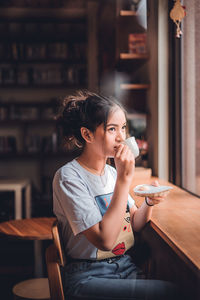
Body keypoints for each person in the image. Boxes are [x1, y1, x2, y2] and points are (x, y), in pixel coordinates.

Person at [53, 90, 180, 300]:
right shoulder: (68, 177)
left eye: (123, 128)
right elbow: (105, 241)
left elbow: (135, 224)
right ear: (87, 135)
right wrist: (124, 180)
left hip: (124, 266)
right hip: (88, 276)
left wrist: (149, 202)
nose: (122, 137)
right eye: (112, 129)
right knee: (170, 292)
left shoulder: (112, 173)